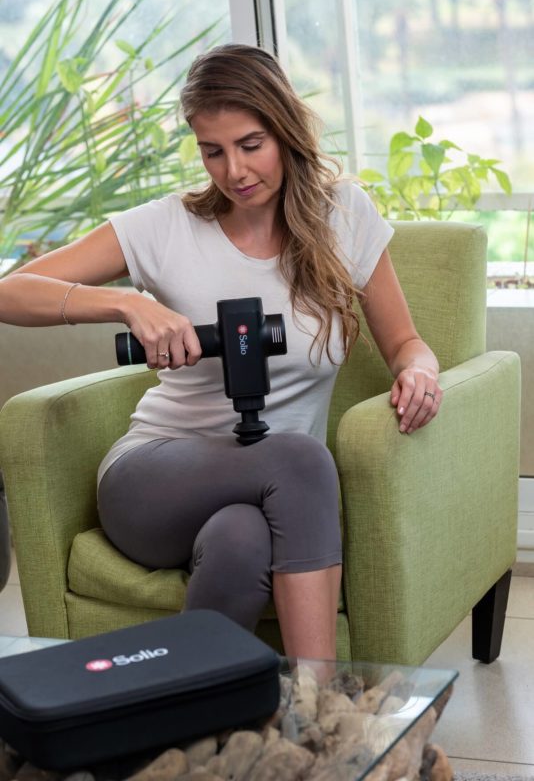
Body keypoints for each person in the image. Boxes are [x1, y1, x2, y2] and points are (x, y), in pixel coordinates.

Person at [0, 43, 442, 664]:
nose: (233, 170)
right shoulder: (166, 226)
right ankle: (320, 713)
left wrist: (421, 370)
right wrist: (129, 305)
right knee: (303, 461)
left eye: (250, 143)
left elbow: (404, 343)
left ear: (285, 131)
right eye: (213, 151)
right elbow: (10, 293)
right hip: (152, 480)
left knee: (242, 538)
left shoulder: (346, 216)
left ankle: (182, 720)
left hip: (259, 497)